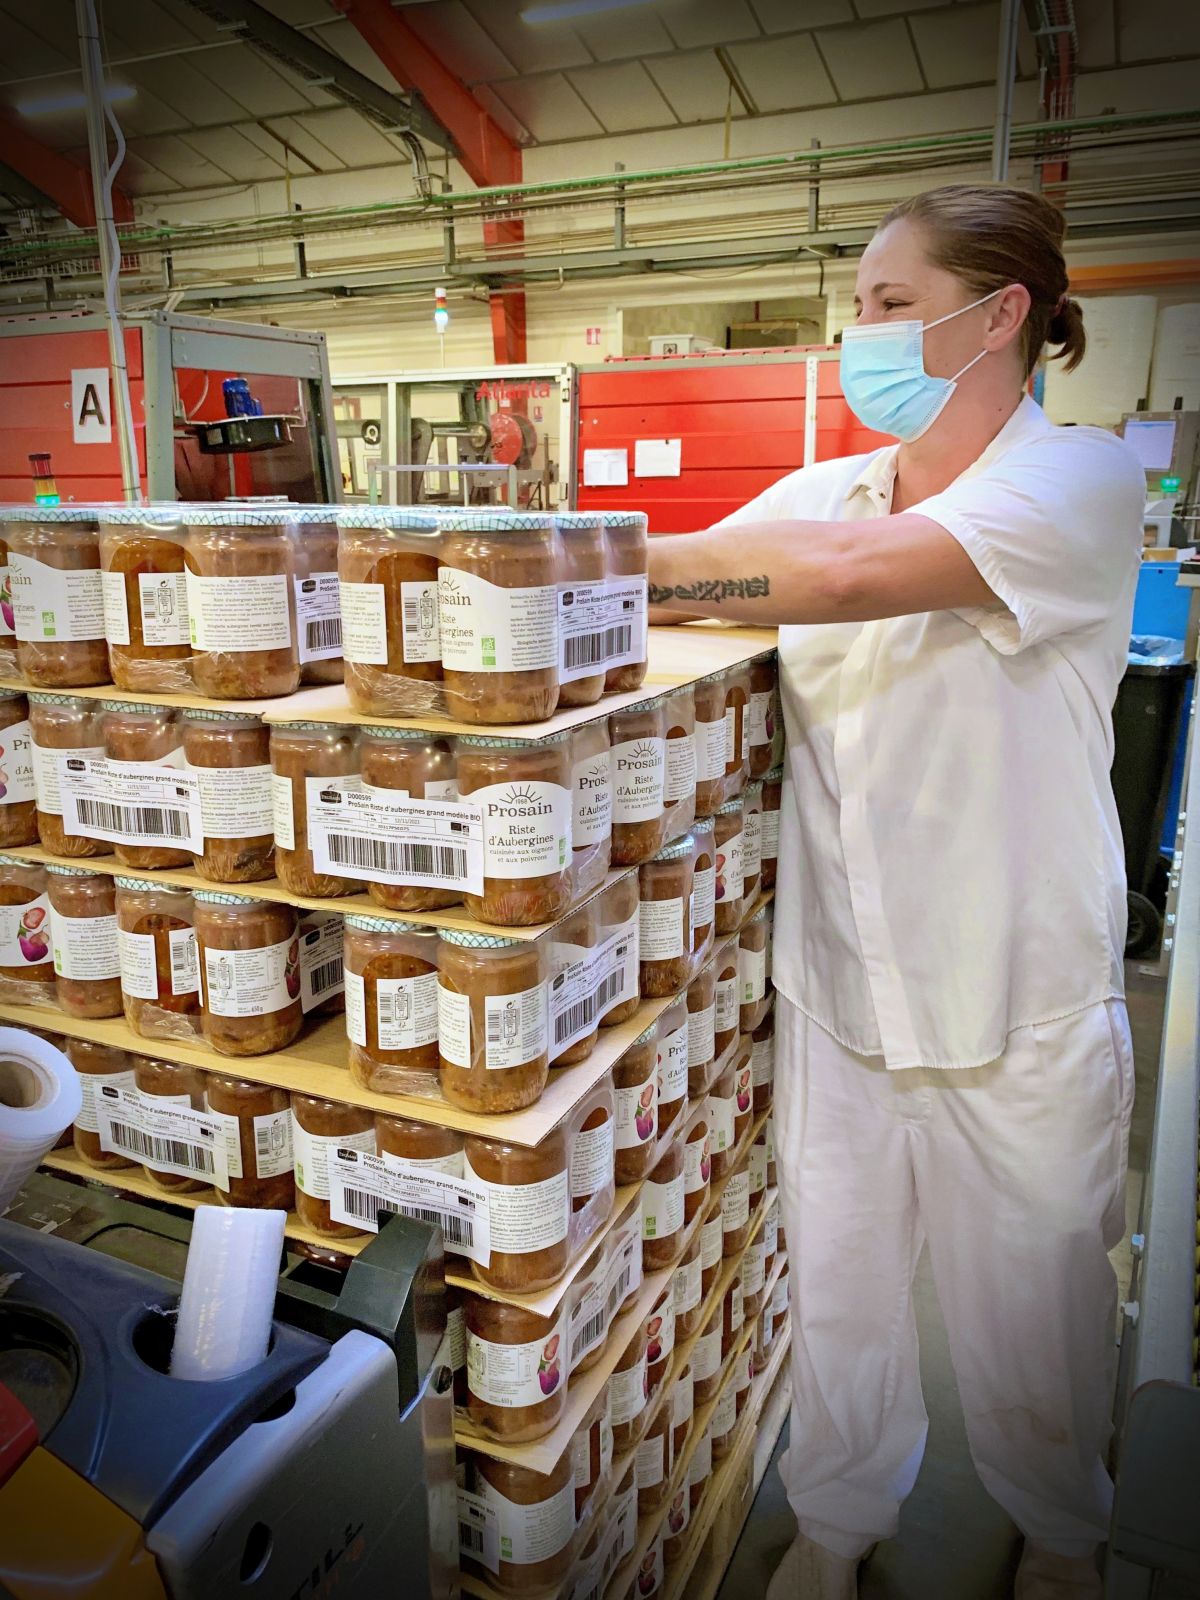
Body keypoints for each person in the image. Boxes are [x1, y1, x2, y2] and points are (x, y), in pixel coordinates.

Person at [647, 184, 1144, 1600]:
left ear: (998, 318)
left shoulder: (1080, 483)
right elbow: (712, 577)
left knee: (1035, 1314)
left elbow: (856, 579)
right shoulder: (823, 495)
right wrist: (581, 570)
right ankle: (839, 1523)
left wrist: (617, 565)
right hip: (843, 986)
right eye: (854, 305)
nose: (855, 334)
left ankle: (1062, 1535)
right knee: (843, 1290)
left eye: (888, 303)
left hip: (1014, 995)